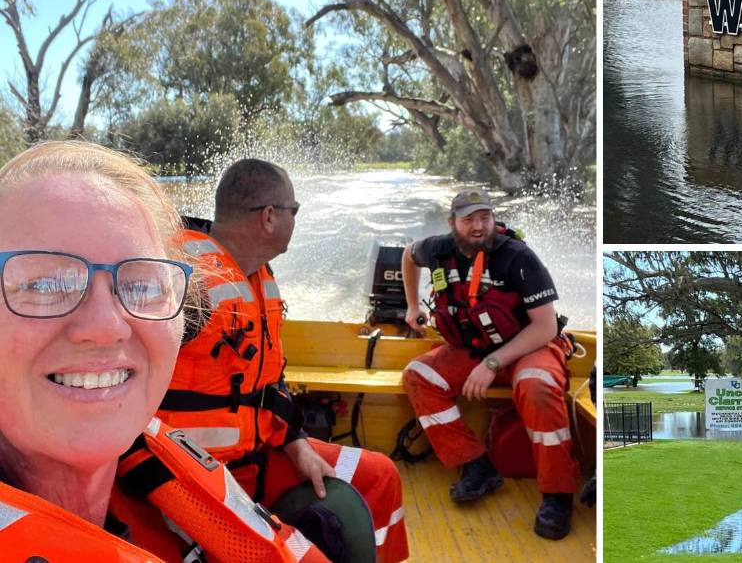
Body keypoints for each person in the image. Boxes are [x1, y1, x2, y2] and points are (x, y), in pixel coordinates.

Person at [0, 141, 329, 562]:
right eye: (42, 284)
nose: (105, 327)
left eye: (142, 285)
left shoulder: (168, 486)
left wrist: (296, 438)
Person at [154, 158, 410, 562]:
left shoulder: (257, 275)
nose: (296, 218)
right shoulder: (185, 284)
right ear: (270, 217)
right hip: (194, 479)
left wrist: (297, 443)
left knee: (380, 476)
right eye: (295, 210)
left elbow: (271, 377)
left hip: (257, 458)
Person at [401, 189, 580, 540]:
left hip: (529, 345)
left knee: (536, 385)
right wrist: (412, 306)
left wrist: (494, 363)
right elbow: (407, 255)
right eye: (469, 220)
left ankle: (558, 495)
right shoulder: (437, 248)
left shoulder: (517, 256)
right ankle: (476, 466)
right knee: (419, 376)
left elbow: (545, 326)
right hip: (475, 347)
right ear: (452, 223)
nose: (479, 226)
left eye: (485, 217)